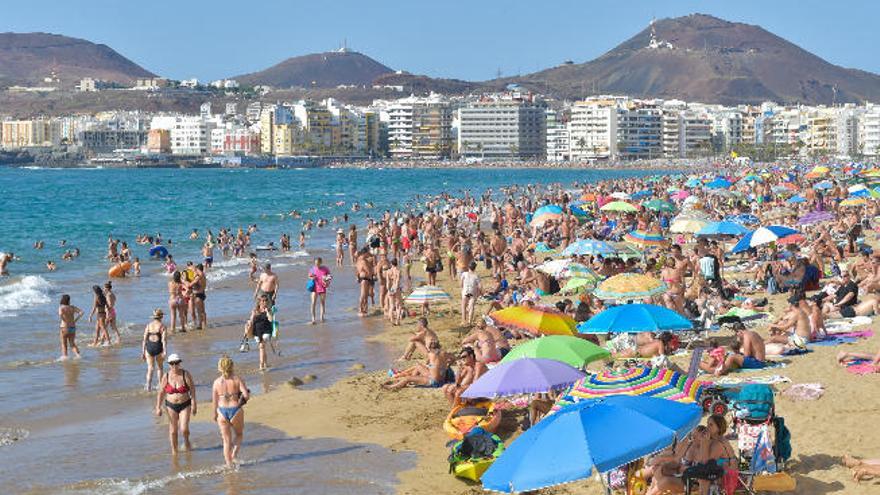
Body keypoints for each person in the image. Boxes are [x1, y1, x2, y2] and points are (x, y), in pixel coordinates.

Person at [212, 356, 250, 468]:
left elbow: (214, 401)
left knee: (226, 440)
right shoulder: (237, 379)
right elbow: (246, 396)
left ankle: (228, 465)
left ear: (219, 367)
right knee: (239, 434)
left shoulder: (216, 382)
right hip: (235, 409)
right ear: (232, 366)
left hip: (221, 411)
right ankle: (233, 455)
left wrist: (214, 414)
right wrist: (242, 400)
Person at [155, 353, 196, 454]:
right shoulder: (166, 376)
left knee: (184, 429)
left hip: (185, 404)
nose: (174, 366)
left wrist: (194, 403)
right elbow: (161, 392)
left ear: (179, 363)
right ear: (169, 364)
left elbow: (192, 390)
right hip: (170, 405)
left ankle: (187, 442)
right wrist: (158, 407)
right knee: (173, 430)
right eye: (172, 363)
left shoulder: (185, 374)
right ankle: (174, 451)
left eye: (176, 363)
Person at [382, 340, 453, 391]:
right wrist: (447, 365)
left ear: (430, 348)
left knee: (407, 378)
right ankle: (411, 380)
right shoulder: (444, 353)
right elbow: (454, 358)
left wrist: (432, 366)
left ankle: (391, 387)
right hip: (441, 379)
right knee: (418, 366)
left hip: (434, 382)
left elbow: (429, 364)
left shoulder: (431, 354)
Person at [245, 296, 274, 370]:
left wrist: (267, 311)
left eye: (266, 300)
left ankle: (261, 365)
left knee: (261, 347)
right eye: (263, 301)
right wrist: (247, 328)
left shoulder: (269, 310)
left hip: (266, 331)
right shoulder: (255, 310)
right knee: (262, 348)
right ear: (259, 302)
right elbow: (250, 321)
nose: (265, 302)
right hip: (257, 332)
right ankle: (266, 364)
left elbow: (271, 320)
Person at [142, 309, 167, 391]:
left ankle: (148, 386)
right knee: (160, 368)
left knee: (150, 368)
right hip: (158, 347)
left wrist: (143, 352)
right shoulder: (162, 326)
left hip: (149, 348)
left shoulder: (148, 325)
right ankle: (160, 385)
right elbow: (164, 340)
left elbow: (144, 339)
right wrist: (165, 351)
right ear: (161, 317)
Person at [58, 294, 83, 360]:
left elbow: (60, 314)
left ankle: (65, 357)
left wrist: (64, 320)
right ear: (69, 300)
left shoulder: (61, 307)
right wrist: (75, 320)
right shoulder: (72, 307)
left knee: (64, 344)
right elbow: (81, 312)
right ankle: (78, 355)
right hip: (72, 327)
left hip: (64, 327)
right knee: (72, 343)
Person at [308, 257, 331, 324]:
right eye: (315, 263)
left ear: (321, 262)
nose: (317, 265)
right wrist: (312, 278)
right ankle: (313, 319)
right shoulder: (312, 269)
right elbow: (309, 276)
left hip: (322, 287)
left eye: (318, 263)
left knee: (322, 303)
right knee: (313, 303)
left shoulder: (325, 269)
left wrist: (327, 281)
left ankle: (322, 317)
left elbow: (329, 276)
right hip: (314, 288)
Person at [459, 261, 482, 326]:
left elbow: (461, 284)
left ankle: (463, 321)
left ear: (468, 267)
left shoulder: (464, 274)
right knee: (471, 306)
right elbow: (480, 286)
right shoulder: (476, 276)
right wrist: (480, 293)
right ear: (475, 268)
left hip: (466, 291)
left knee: (463, 306)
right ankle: (470, 321)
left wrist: (462, 289)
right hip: (472, 291)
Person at [188, 264, 207, 331]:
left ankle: (200, 325)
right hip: (202, 293)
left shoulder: (199, 276)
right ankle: (204, 324)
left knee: (199, 311)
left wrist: (184, 282)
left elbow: (191, 284)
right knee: (202, 311)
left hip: (198, 294)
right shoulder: (203, 275)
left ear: (198, 269)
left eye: (196, 270)